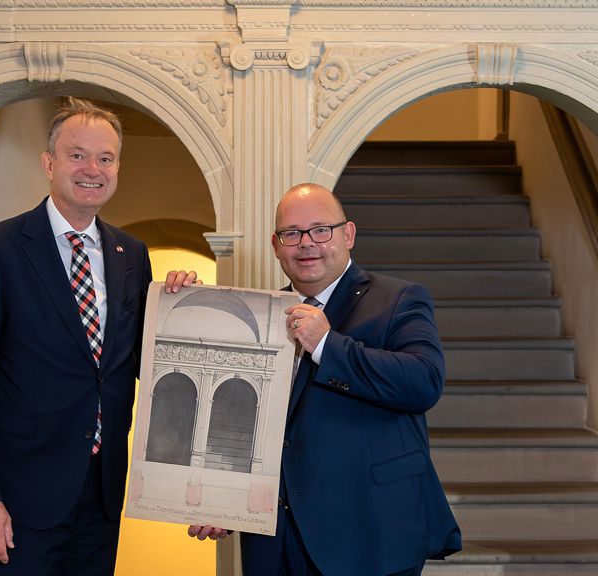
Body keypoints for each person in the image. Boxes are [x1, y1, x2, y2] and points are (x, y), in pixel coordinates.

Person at [0, 97, 197, 575]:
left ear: (118, 167)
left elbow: (143, 364)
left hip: (101, 495)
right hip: (18, 500)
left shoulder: (131, 254)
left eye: (106, 157)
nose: (91, 169)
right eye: (77, 154)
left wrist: (182, 307)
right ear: (49, 162)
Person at [189, 183, 461, 575]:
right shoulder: (261, 317)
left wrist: (327, 345)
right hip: (276, 540)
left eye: (321, 229)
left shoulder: (399, 299)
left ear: (347, 234)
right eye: (292, 234)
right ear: (276, 244)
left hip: (369, 534)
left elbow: (424, 382)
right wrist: (222, 499)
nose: (306, 243)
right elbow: (240, 421)